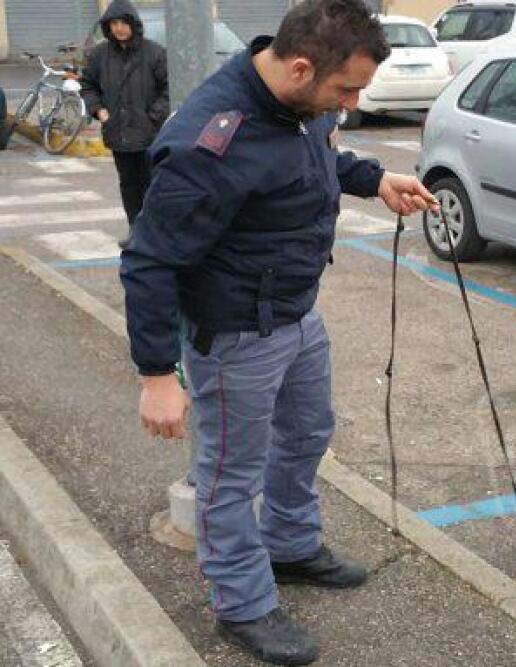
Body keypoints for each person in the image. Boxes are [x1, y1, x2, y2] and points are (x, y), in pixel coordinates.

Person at [118, 1, 437, 664]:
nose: (351, 103)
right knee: (230, 474)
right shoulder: (211, 139)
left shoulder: (300, 106)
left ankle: (290, 544)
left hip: (297, 314)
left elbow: (317, 157)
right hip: (235, 335)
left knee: (308, 432)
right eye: (345, 90)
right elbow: (149, 258)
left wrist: (377, 179)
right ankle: (240, 601)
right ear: (299, 68)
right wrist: (155, 375)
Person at [79, 0, 169, 234]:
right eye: (113, 23)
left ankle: (154, 233)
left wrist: (153, 117)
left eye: (123, 23)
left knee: (152, 185)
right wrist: (98, 110)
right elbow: (87, 85)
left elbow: (169, 89)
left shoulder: (155, 53)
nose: (118, 28)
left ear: (133, 24)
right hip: (118, 132)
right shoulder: (99, 55)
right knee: (128, 185)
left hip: (148, 134)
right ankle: (135, 231)